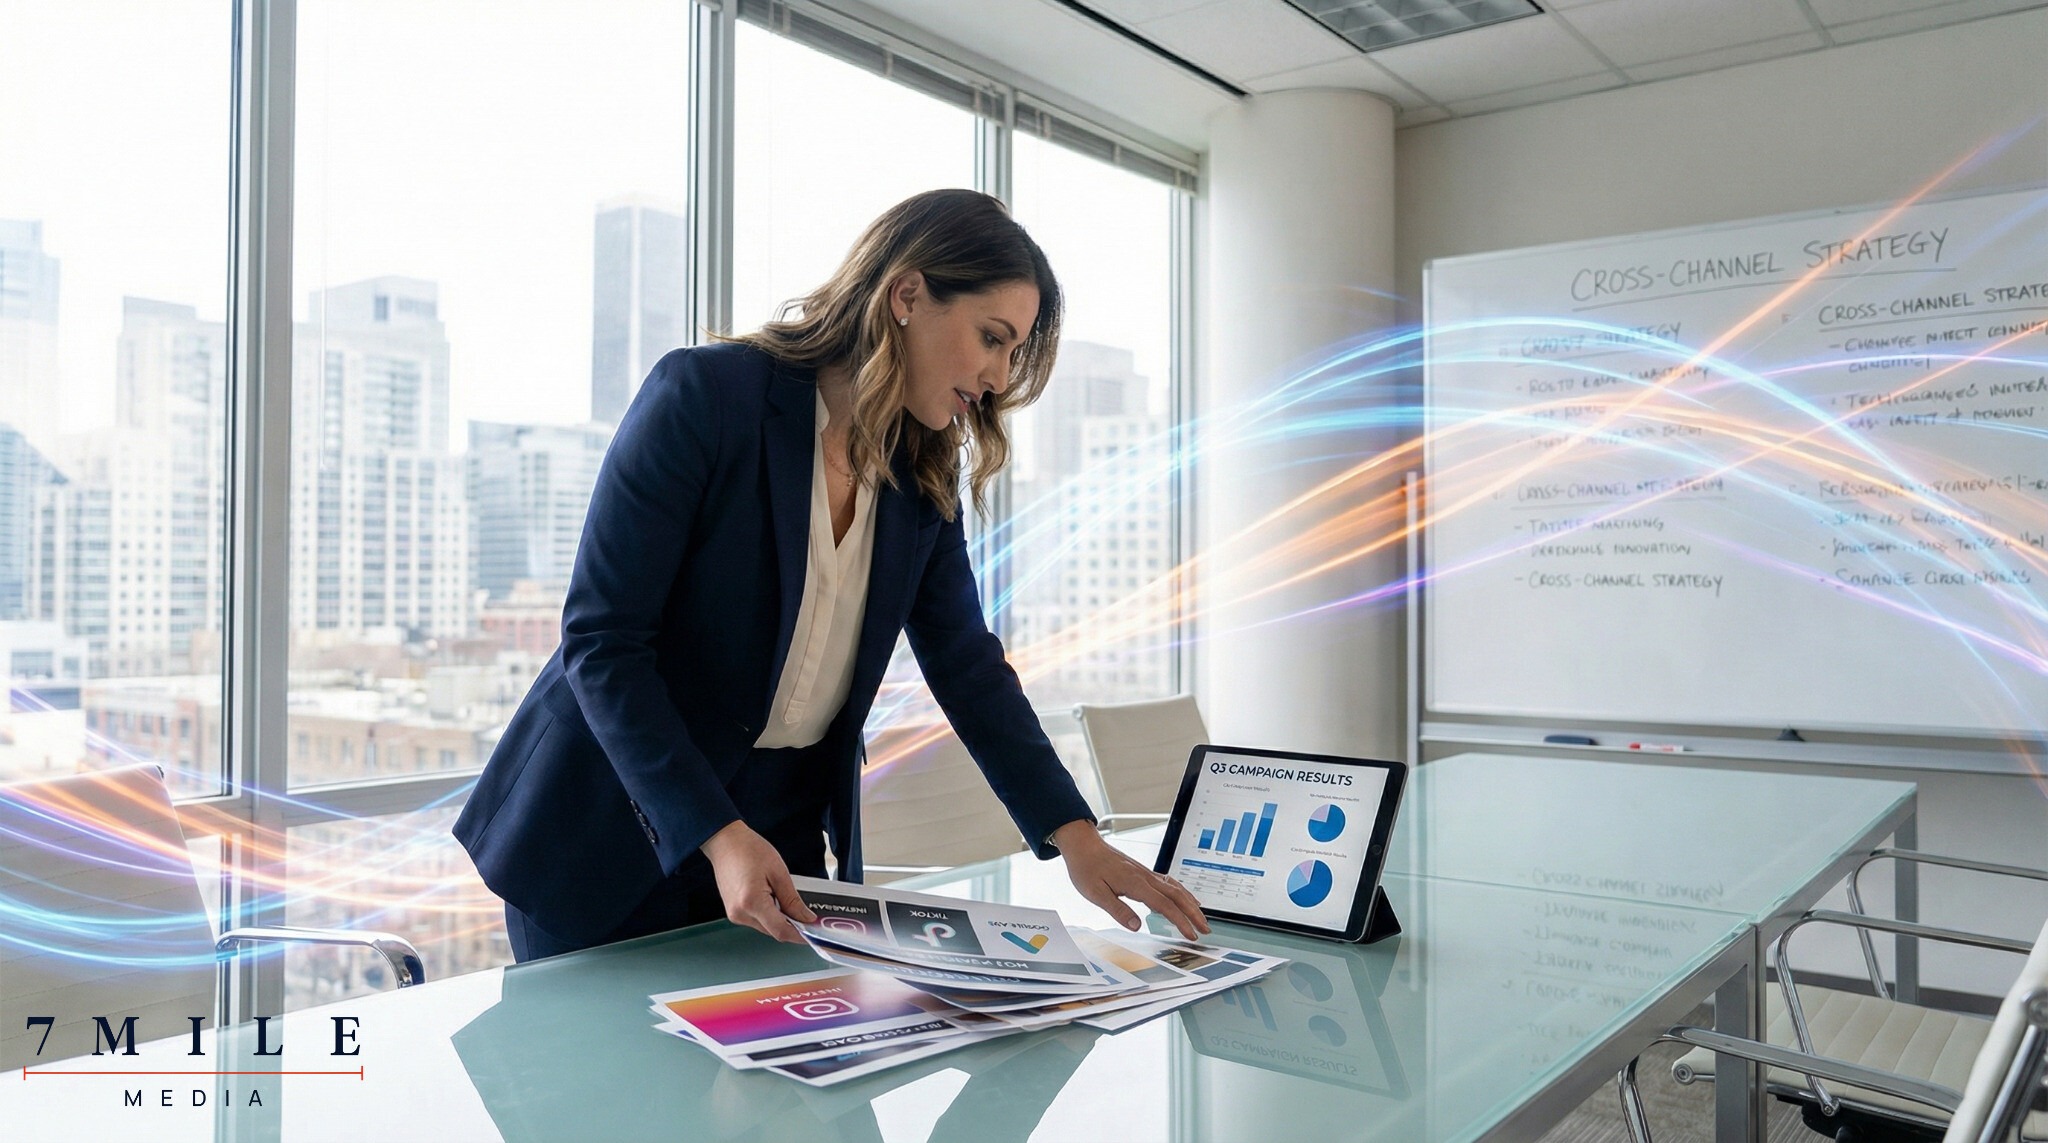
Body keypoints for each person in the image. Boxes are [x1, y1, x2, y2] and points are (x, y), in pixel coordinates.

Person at [455, 188, 1208, 961]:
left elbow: (967, 665)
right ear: (906, 294)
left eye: (1013, 352)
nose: (997, 375)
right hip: (610, 828)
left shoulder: (922, 475)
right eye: (992, 337)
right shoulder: (706, 398)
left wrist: (1077, 837)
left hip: (778, 836)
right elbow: (602, 642)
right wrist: (717, 833)